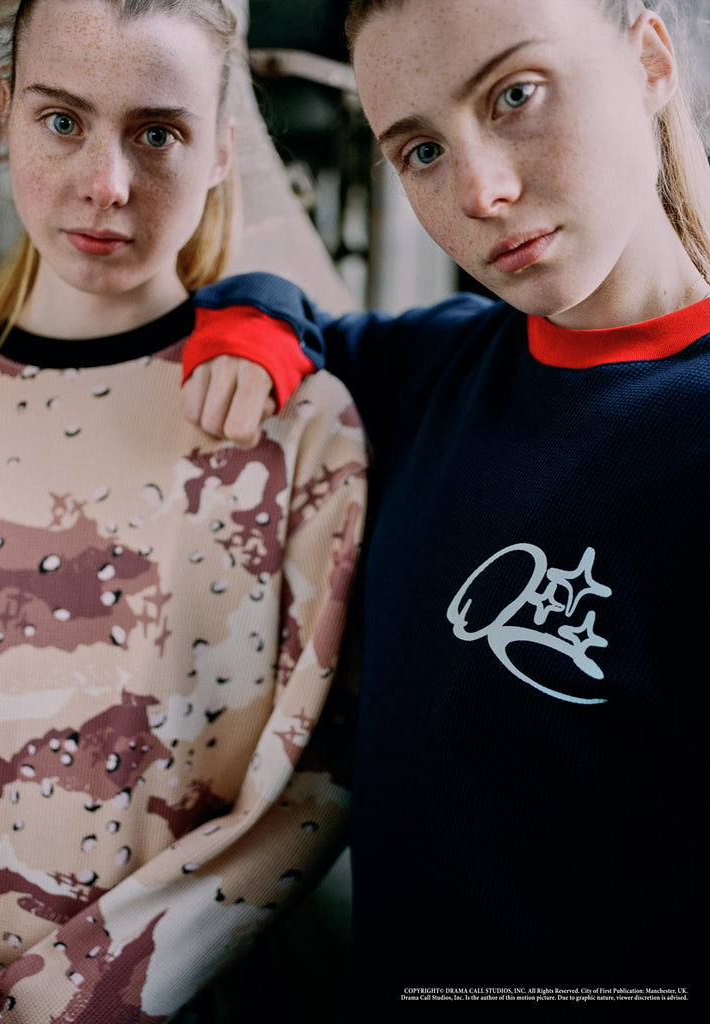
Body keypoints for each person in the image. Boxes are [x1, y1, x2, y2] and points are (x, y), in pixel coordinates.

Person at [181, 0, 709, 1010]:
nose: (481, 191)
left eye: (516, 95)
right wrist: (255, 320)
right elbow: (294, 314)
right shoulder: (428, 368)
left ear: (649, 63)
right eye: (420, 150)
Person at [0, 2, 367, 1021]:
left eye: (158, 134)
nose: (106, 183)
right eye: (61, 121)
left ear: (222, 149)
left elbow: (312, 774)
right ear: (4, 115)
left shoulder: (298, 431)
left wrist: (75, 1004)